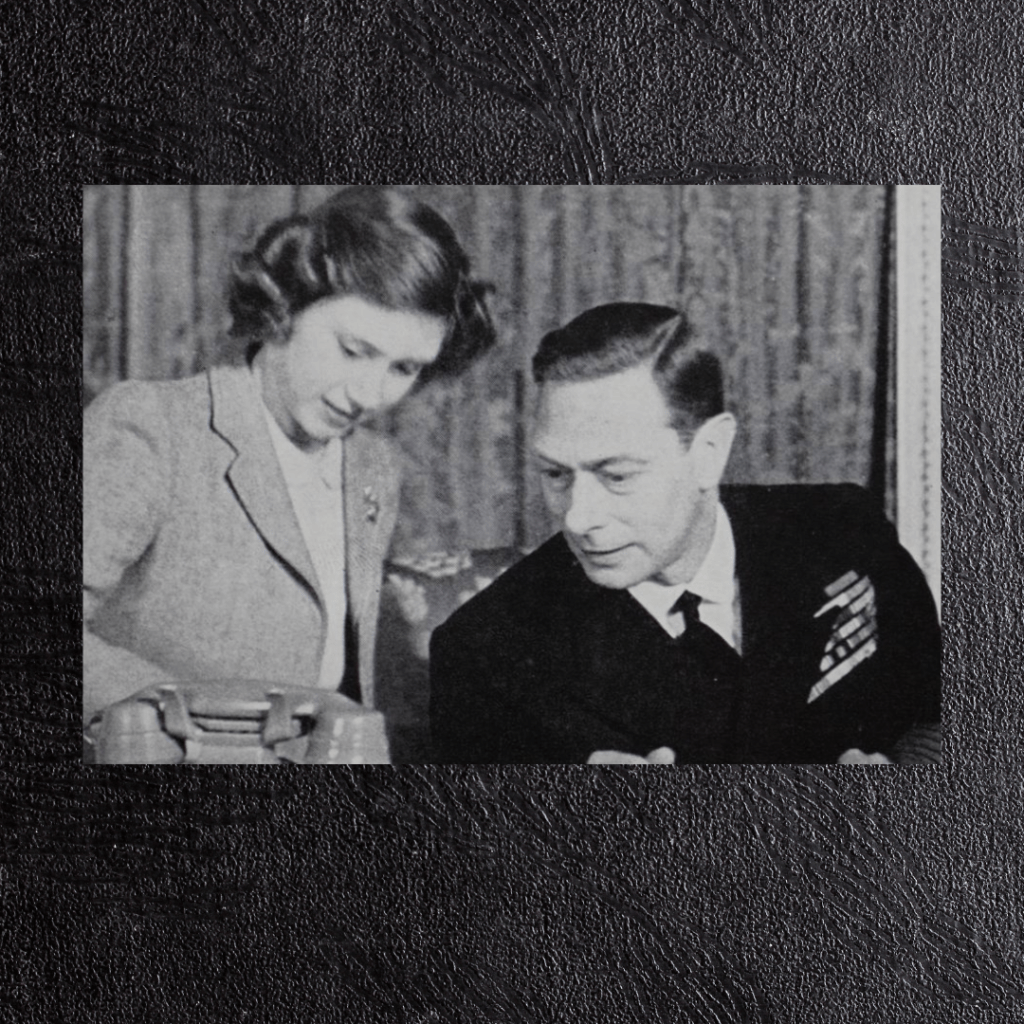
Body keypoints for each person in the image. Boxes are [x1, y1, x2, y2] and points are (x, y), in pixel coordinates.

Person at [430, 302, 940, 764]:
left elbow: (939, 715)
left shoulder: (842, 527)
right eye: (556, 474)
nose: (578, 518)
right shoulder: (485, 654)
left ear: (709, 453)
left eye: (617, 475)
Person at [84, 186, 495, 726]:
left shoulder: (373, 465)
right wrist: (197, 722)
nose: (369, 395)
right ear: (285, 307)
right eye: (353, 350)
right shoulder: (153, 427)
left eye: (404, 369)